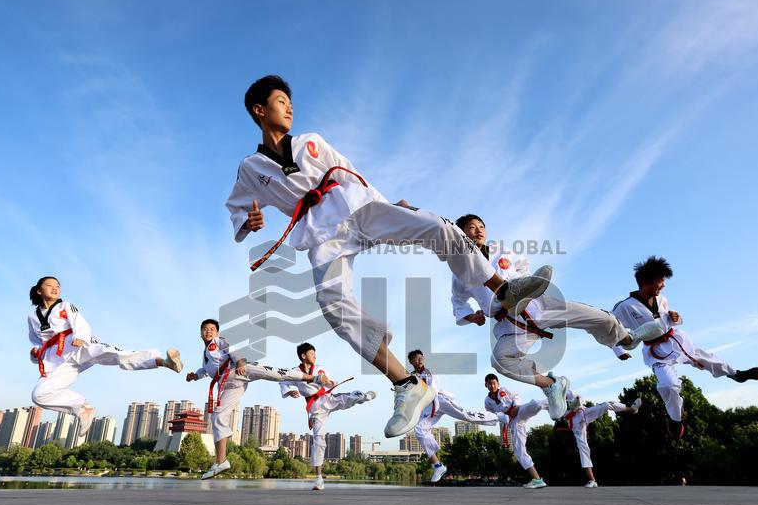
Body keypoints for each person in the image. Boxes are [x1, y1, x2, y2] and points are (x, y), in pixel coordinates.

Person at [225, 75, 553, 441]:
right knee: (332, 306)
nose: (289, 106)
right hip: (319, 233)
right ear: (259, 109)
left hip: (354, 206)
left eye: (290, 100)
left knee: (435, 226)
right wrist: (249, 221)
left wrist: (386, 203)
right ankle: (405, 383)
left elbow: (351, 172)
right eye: (280, 100)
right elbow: (237, 207)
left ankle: (503, 288)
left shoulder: (311, 142)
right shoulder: (252, 168)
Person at [451, 214, 664, 421]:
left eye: (481, 226)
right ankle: (551, 385)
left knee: (599, 318)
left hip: (536, 306)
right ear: (461, 234)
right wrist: (473, 317)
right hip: (510, 324)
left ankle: (629, 338)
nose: (478, 230)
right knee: (499, 360)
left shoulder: (501, 251)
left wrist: (525, 280)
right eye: (471, 227)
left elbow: (522, 264)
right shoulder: (460, 271)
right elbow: (458, 303)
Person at [611, 256, 758, 437]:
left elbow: (667, 319)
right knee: (668, 385)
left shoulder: (662, 300)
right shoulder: (624, 307)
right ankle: (675, 419)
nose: (663, 285)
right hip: (655, 351)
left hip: (676, 339)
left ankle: (736, 374)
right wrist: (618, 350)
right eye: (661, 281)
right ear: (646, 282)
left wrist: (675, 317)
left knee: (704, 358)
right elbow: (609, 328)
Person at [28, 276, 183, 439]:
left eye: (57, 286)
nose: (55, 288)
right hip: (58, 358)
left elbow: (80, 323)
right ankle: (82, 410)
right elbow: (36, 340)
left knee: (119, 356)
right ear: (39, 290)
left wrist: (80, 336)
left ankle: (165, 362)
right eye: (49, 285)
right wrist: (35, 353)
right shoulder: (33, 317)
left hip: (80, 344)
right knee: (39, 394)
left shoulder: (64, 306)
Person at [186, 319, 331, 479]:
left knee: (275, 373)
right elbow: (206, 370)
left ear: (217, 333)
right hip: (230, 385)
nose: (208, 331)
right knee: (218, 415)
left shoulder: (218, 341)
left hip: (239, 370)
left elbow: (232, 350)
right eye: (205, 329)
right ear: (200, 333)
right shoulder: (206, 354)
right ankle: (221, 462)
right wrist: (195, 375)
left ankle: (314, 378)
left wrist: (240, 362)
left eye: (212, 329)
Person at [280, 342, 376, 491]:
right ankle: (318, 479)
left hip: (328, 398)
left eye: (315, 353)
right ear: (303, 356)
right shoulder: (294, 372)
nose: (315, 356)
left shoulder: (319, 369)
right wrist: (290, 391)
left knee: (349, 397)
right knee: (318, 439)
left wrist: (329, 381)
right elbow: (283, 380)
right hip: (315, 408)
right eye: (312, 353)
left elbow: (331, 382)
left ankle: (366, 396)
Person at [408, 350, 498, 483]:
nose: (419, 360)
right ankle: (438, 466)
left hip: (440, 401)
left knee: (466, 416)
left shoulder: (428, 373)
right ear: (411, 362)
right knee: (419, 430)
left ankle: (497, 417)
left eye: (421, 357)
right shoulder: (412, 375)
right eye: (416, 358)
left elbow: (431, 391)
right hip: (429, 405)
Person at [561, 391, 642, 487]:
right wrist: (574, 410)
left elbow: (580, 398)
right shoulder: (553, 402)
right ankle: (592, 480)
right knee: (584, 450)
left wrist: (578, 401)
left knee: (607, 405)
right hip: (577, 426)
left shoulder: (568, 392)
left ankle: (632, 409)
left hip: (585, 412)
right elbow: (564, 416)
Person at [484, 374, 550, 489]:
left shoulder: (504, 390)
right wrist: (502, 416)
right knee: (519, 451)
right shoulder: (487, 402)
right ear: (486, 385)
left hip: (518, 411)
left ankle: (554, 401)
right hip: (513, 422)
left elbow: (516, 396)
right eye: (489, 383)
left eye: (494, 383)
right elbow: (491, 415)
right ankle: (537, 479)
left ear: (498, 384)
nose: (492, 385)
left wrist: (515, 406)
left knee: (534, 404)